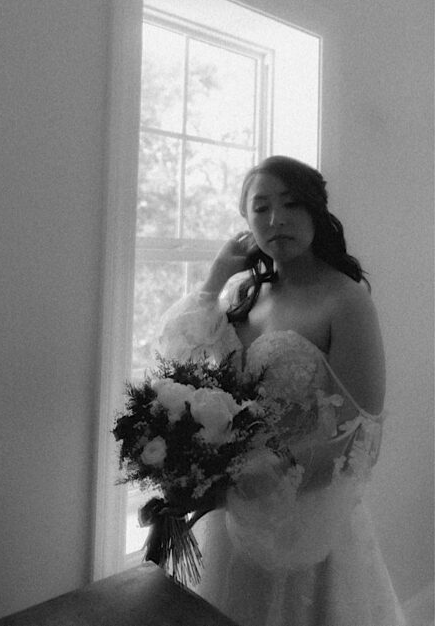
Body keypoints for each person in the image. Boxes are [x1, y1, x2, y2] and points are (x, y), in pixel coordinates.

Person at [155, 156, 404, 626]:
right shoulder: (241, 296)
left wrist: (251, 481)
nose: (276, 220)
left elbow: (361, 434)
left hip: (308, 521)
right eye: (260, 208)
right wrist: (214, 278)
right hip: (230, 518)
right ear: (246, 222)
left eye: (291, 205)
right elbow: (178, 360)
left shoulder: (346, 301)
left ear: (316, 212)